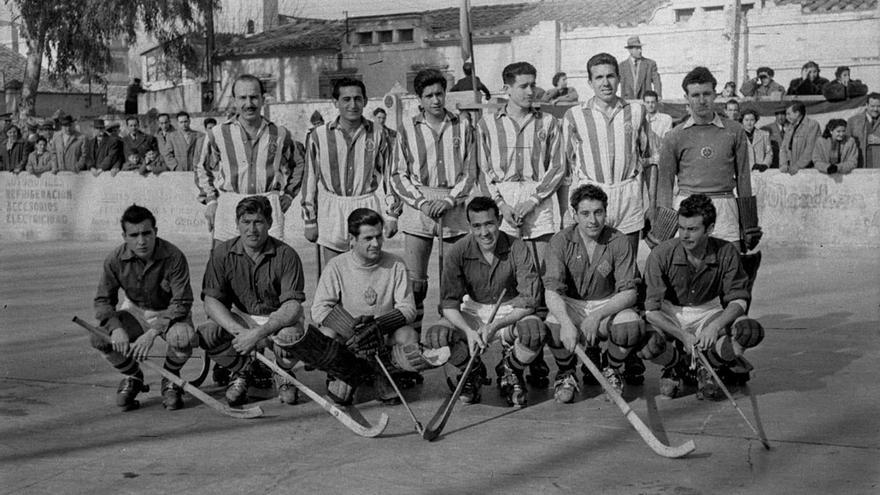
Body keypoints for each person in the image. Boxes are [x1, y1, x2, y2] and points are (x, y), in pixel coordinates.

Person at [423, 197, 545, 407]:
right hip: (473, 311)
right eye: (477, 226)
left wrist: (496, 324)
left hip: (510, 311)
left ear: (498, 220)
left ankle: (510, 370)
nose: (484, 232)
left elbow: (530, 300)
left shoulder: (517, 247)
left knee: (534, 330)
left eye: (489, 224)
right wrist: (468, 331)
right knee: (438, 335)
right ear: (469, 226)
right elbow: (449, 304)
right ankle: (472, 371)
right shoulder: (458, 251)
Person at [642, 194, 764, 400]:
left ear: (709, 229)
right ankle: (677, 365)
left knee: (748, 332)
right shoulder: (661, 254)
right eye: (681, 228)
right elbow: (651, 311)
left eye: (692, 229)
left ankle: (708, 365)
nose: (684, 235)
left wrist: (714, 327)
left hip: (708, 311)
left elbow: (739, 300)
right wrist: (682, 335)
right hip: (670, 311)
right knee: (646, 343)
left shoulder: (726, 251)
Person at [197, 196, 313, 406]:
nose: (252, 229)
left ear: (269, 223)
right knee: (207, 333)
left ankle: (283, 372)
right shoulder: (222, 253)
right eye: (246, 222)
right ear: (237, 224)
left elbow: (292, 306)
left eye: (258, 222)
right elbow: (211, 301)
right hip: (241, 318)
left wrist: (258, 334)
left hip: (277, 320)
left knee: (290, 337)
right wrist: (239, 333)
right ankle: (243, 370)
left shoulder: (286, 255)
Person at [390, 68, 476, 333]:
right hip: (420, 204)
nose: (436, 100)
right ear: (420, 98)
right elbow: (396, 174)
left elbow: (471, 171)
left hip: (453, 203)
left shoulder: (463, 125)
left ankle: (451, 341)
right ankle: (412, 341)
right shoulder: (406, 128)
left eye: (440, 94)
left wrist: (450, 200)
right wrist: (422, 202)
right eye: (429, 96)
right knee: (415, 282)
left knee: (453, 281)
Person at [543, 184, 645, 402]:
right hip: (572, 303)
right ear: (574, 214)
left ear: (606, 212)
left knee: (630, 325)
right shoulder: (560, 241)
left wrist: (597, 316)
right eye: (585, 213)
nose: (593, 220)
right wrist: (567, 322)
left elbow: (629, 293)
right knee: (553, 324)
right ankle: (566, 373)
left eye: (598, 212)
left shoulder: (618, 240)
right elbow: (552, 291)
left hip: (605, 305)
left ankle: (612, 369)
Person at [91, 205, 196, 410]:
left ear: (155, 232)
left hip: (170, 312)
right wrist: (117, 328)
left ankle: (170, 379)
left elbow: (182, 302)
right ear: (124, 236)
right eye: (134, 235)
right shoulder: (114, 260)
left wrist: (151, 334)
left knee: (183, 338)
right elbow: (103, 301)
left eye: (147, 233)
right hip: (136, 310)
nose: (141, 241)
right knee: (99, 337)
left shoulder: (174, 256)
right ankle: (133, 376)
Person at [311, 208, 418, 405]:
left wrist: (378, 326)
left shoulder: (396, 264)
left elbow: (408, 308)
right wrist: (349, 328)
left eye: (379, 237)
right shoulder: (336, 265)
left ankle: (385, 374)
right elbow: (319, 309)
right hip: (350, 340)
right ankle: (343, 374)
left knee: (408, 335)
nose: (375, 244)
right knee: (325, 335)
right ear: (352, 239)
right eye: (368, 238)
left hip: (382, 338)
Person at [657, 66, 758, 251]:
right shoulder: (674, 135)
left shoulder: (734, 130)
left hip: (725, 207)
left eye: (706, 94)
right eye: (695, 95)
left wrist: (749, 224)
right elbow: (664, 184)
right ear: (686, 98)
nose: (702, 100)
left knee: (729, 269)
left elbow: (744, 178)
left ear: (715, 95)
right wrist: (662, 230)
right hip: (688, 206)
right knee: (689, 273)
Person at [196, 74, 304, 243]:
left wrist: (289, 195)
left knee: (270, 265)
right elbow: (201, 167)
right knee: (226, 264)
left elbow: (299, 164)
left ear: (263, 99)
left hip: (268, 205)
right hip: (230, 204)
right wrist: (210, 200)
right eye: (242, 98)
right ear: (234, 100)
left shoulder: (279, 133)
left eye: (254, 97)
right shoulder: (218, 133)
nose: (249, 104)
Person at [302, 77, 398, 266]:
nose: (352, 105)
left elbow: (390, 176)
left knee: (367, 271)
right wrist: (309, 220)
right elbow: (309, 179)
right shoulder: (318, 136)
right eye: (346, 99)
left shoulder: (379, 133)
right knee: (334, 273)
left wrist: (392, 215)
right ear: (335, 102)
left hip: (366, 203)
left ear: (365, 101)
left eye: (357, 99)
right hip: (332, 207)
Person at [477, 61, 565, 267]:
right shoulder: (487, 124)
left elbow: (558, 166)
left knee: (542, 268)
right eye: (523, 86)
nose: (530, 91)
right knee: (507, 268)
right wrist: (500, 206)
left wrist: (534, 199)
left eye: (533, 85)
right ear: (507, 89)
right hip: (503, 199)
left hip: (537, 198)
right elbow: (482, 170)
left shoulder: (548, 122)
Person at [562, 53, 650, 256]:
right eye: (599, 77)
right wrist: (567, 209)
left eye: (610, 76)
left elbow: (648, 160)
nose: (606, 83)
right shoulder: (574, 115)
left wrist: (650, 204)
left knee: (626, 261)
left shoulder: (636, 111)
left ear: (619, 79)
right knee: (593, 262)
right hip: (592, 195)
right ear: (590, 82)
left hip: (628, 194)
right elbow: (567, 167)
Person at [779, 100, 821, 175]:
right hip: (793, 170)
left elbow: (811, 149)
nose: (786, 117)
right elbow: (783, 148)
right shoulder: (789, 127)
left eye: (788, 114)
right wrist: (783, 164)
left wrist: (798, 165)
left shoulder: (812, 125)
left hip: (808, 171)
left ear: (797, 113)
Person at [847, 93, 880, 168]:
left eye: (878, 106)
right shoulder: (853, 121)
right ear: (866, 105)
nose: (875, 109)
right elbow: (845, 145)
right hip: (860, 165)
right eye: (872, 106)